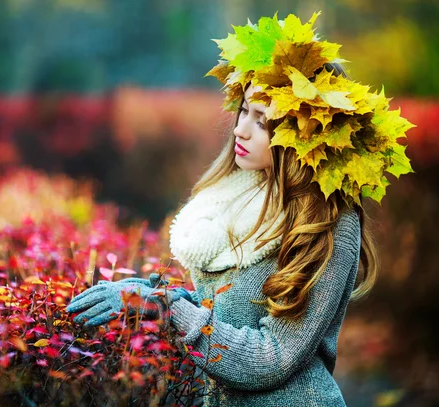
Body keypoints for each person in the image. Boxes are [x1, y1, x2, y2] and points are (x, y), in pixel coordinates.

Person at [66, 11, 414, 407]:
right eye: (244, 111)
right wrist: (147, 297)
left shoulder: (328, 224)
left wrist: (168, 308)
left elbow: (272, 358)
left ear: (304, 136)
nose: (240, 129)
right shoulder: (235, 196)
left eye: (262, 121)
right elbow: (223, 313)